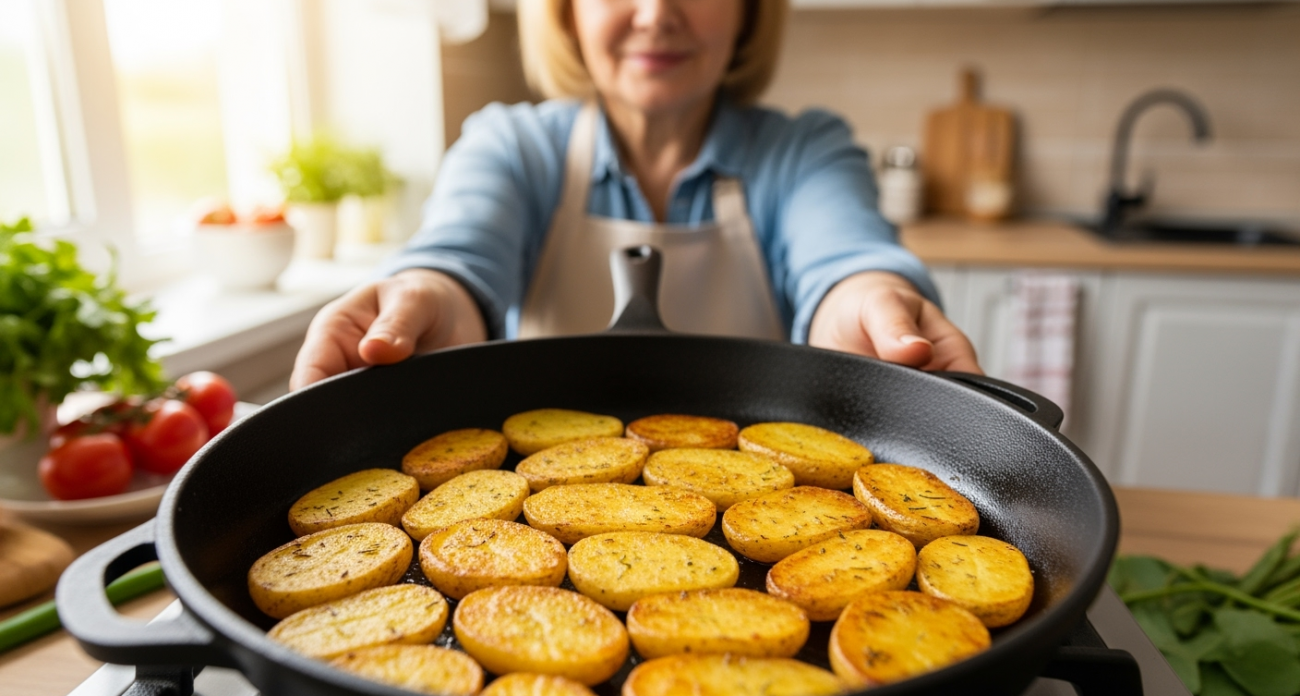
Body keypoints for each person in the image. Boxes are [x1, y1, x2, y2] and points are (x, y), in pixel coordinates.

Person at [289, 0, 979, 391]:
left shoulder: (804, 152)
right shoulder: (512, 146)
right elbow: (457, 257)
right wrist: (423, 296)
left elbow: (848, 255)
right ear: (565, 12)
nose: (655, 15)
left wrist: (870, 301)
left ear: (747, 11)